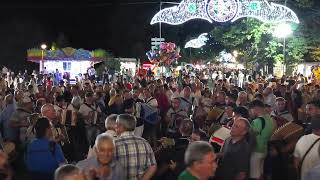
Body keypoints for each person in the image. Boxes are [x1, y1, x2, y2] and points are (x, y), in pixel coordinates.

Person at [114, 114, 157, 180]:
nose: (115, 127)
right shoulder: (144, 142)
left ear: (120, 126)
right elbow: (153, 166)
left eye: (116, 124)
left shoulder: (114, 143)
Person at [248, 100, 275, 180]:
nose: (250, 113)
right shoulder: (270, 119)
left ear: (255, 108)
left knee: (255, 176)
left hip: (256, 150)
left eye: (250, 110)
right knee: (260, 173)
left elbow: (251, 136)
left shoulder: (257, 121)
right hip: (264, 150)